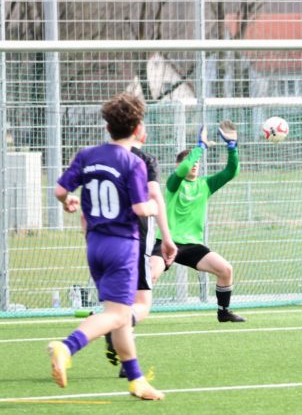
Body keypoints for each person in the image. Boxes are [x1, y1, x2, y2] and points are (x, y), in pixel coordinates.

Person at [49, 92, 164, 400]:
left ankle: (136, 380)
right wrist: (154, 207)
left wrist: (69, 200)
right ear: (138, 127)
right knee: (116, 315)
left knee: (121, 313)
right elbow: (141, 209)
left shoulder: (87, 154)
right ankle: (66, 346)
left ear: (107, 127)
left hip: (94, 244)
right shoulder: (133, 162)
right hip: (122, 246)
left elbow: (60, 189)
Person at [148, 120, 245, 322]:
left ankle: (223, 312)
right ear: (179, 166)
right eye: (191, 162)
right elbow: (184, 167)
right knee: (151, 274)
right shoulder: (174, 183)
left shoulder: (205, 185)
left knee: (226, 270)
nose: (194, 165)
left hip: (193, 245)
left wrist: (232, 147)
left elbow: (231, 171)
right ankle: (124, 313)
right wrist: (200, 147)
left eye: (197, 163)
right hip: (168, 243)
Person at [103, 118, 178, 375]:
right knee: (141, 302)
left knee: (122, 299)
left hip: (104, 237)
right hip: (135, 235)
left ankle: (127, 361)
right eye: (143, 125)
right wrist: (167, 238)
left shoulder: (99, 157)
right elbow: (155, 197)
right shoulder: (145, 159)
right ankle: (110, 328)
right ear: (137, 131)